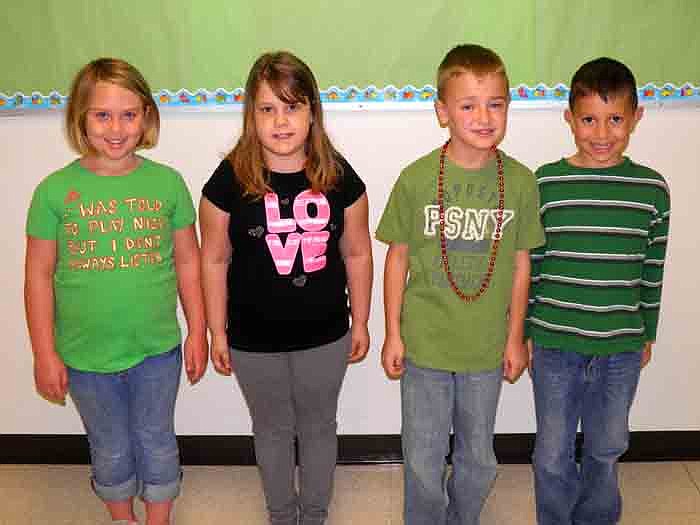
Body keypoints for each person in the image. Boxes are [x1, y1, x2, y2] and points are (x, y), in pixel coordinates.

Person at [24, 57, 207, 525]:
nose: (116, 127)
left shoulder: (167, 184)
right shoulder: (53, 191)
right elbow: (38, 276)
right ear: (80, 120)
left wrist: (199, 330)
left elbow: (189, 262)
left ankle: (159, 517)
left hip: (156, 351)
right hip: (85, 356)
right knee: (108, 444)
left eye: (128, 113)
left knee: (156, 437)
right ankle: (122, 517)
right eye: (102, 114)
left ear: (146, 116)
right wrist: (45, 353)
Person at [199, 51, 372, 525]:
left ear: (312, 112)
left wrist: (362, 320)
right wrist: (217, 331)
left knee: (318, 427)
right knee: (272, 430)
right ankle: (281, 513)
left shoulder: (339, 176)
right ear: (250, 115)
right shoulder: (228, 181)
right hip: (253, 340)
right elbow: (213, 258)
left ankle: (314, 513)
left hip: (326, 334)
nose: (280, 121)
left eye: (292, 107)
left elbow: (357, 252)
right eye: (267, 109)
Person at [376, 44, 545, 525]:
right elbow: (397, 258)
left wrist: (516, 338)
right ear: (442, 112)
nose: (483, 116)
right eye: (468, 104)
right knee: (423, 457)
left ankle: (462, 517)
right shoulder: (417, 178)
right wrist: (393, 331)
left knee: (479, 457)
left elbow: (520, 266)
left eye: (496, 103)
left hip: (486, 350)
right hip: (426, 346)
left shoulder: (520, 182)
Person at [527, 57, 671, 525]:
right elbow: (530, 265)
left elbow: (653, 270)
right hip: (554, 344)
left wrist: (647, 332)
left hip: (620, 349)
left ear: (636, 117)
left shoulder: (652, 190)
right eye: (588, 119)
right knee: (552, 451)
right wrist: (524, 331)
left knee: (607, 448)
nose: (602, 133)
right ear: (569, 118)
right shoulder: (545, 184)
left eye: (615, 120)